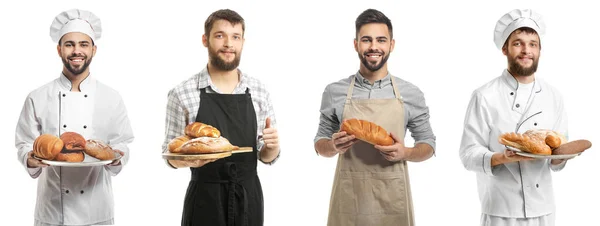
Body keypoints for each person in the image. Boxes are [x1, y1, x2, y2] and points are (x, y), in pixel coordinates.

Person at [314, 9, 436, 226]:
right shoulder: (334, 91)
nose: (373, 47)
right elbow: (320, 144)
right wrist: (333, 146)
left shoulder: (410, 93)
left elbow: (428, 144)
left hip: (393, 199)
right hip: (349, 198)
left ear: (391, 45)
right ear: (355, 44)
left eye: (381, 40)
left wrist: (405, 152)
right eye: (366, 40)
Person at [15, 9, 134, 226]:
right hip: (52, 211)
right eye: (69, 44)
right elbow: (24, 142)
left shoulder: (111, 97)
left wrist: (117, 157)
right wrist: (29, 158)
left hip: (96, 210)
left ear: (94, 50)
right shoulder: (37, 96)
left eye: (83, 44)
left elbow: (123, 143)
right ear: (59, 49)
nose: (76, 51)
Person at [161, 9, 280, 226]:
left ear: (243, 41)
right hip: (204, 199)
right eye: (220, 35)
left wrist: (272, 148)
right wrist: (190, 160)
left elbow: (266, 155)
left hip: (248, 197)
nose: (228, 44)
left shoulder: (258, 91)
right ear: (205, 40)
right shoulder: (182, 93)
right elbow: (171, 154)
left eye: (235, 37)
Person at [459, 9, 569, 226]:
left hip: (543, 210)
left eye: (533, 44)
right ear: (504, 49)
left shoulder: (553, 96)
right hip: (500, 210)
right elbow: (468, 154)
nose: (526, 50)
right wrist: (502, 157)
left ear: (539, 50)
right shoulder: (484, 96)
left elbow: (557, 160)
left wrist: (563, 155)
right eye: (518, 43)